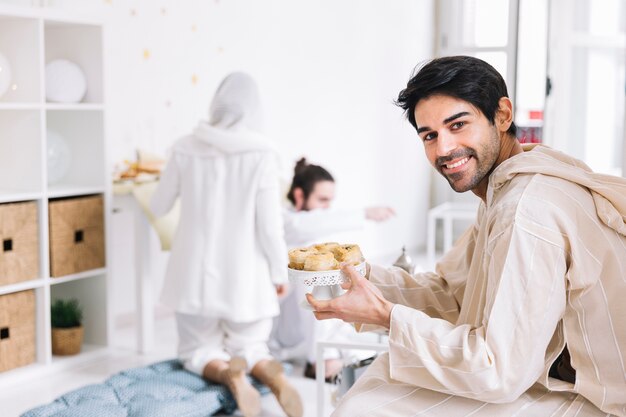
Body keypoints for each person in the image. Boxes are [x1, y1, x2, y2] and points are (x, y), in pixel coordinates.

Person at [307, 56, 626, 416]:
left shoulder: (525, 208)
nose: (443, 149)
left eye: (457, 125)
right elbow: (454, 295)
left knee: (368, 408)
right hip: (547, 377)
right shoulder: (509, 187)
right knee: (380, 385)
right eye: (430, 135)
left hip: (595, 403)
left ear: (503, 115)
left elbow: (499, 371)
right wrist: (359, 276)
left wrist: (386, 316)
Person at [151, 72, 302, 417]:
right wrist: (280, 273)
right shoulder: (263, 153)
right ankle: (266, 371)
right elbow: (269, 226)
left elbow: (159, 206)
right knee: (251, 343)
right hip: (246, 278)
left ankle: (228, 375)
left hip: (194, 275)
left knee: (196, 349)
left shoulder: (183, 147)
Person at [270, 157, 395, 381]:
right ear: (299, 195)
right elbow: (306, 224)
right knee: (316, 274)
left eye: (330, 201)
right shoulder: (284, 221)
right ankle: (324, 359)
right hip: (283, 330)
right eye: (322, 200)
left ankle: (338, 352)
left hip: (308, 328)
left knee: (340, 271)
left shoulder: (314, 232)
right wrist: (364, 213)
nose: (327, 208)